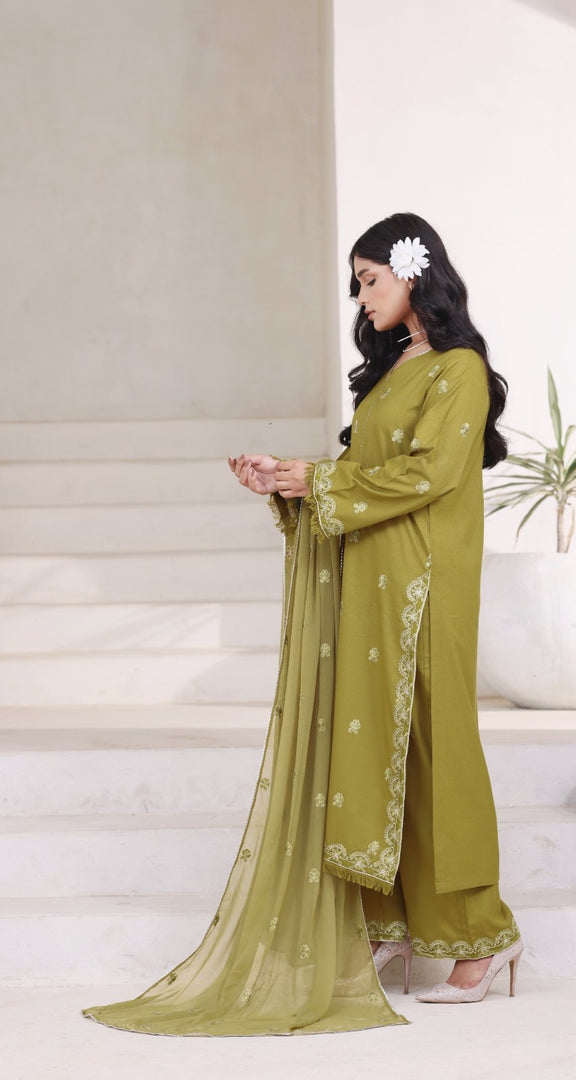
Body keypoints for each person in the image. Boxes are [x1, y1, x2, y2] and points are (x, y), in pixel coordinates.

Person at [81, 211, 521, 1038]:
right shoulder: (394, 369)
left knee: (438, 752)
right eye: (357, 284)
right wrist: (290, 478)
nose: (361, 297)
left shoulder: (458, 368)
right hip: (375, 577)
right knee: (380, 752)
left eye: (369, 280)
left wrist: (317, 483)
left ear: (413, 271)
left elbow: (429, 474)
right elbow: (363, 472)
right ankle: (390, 921)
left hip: (424, 585)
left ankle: (482, 938)